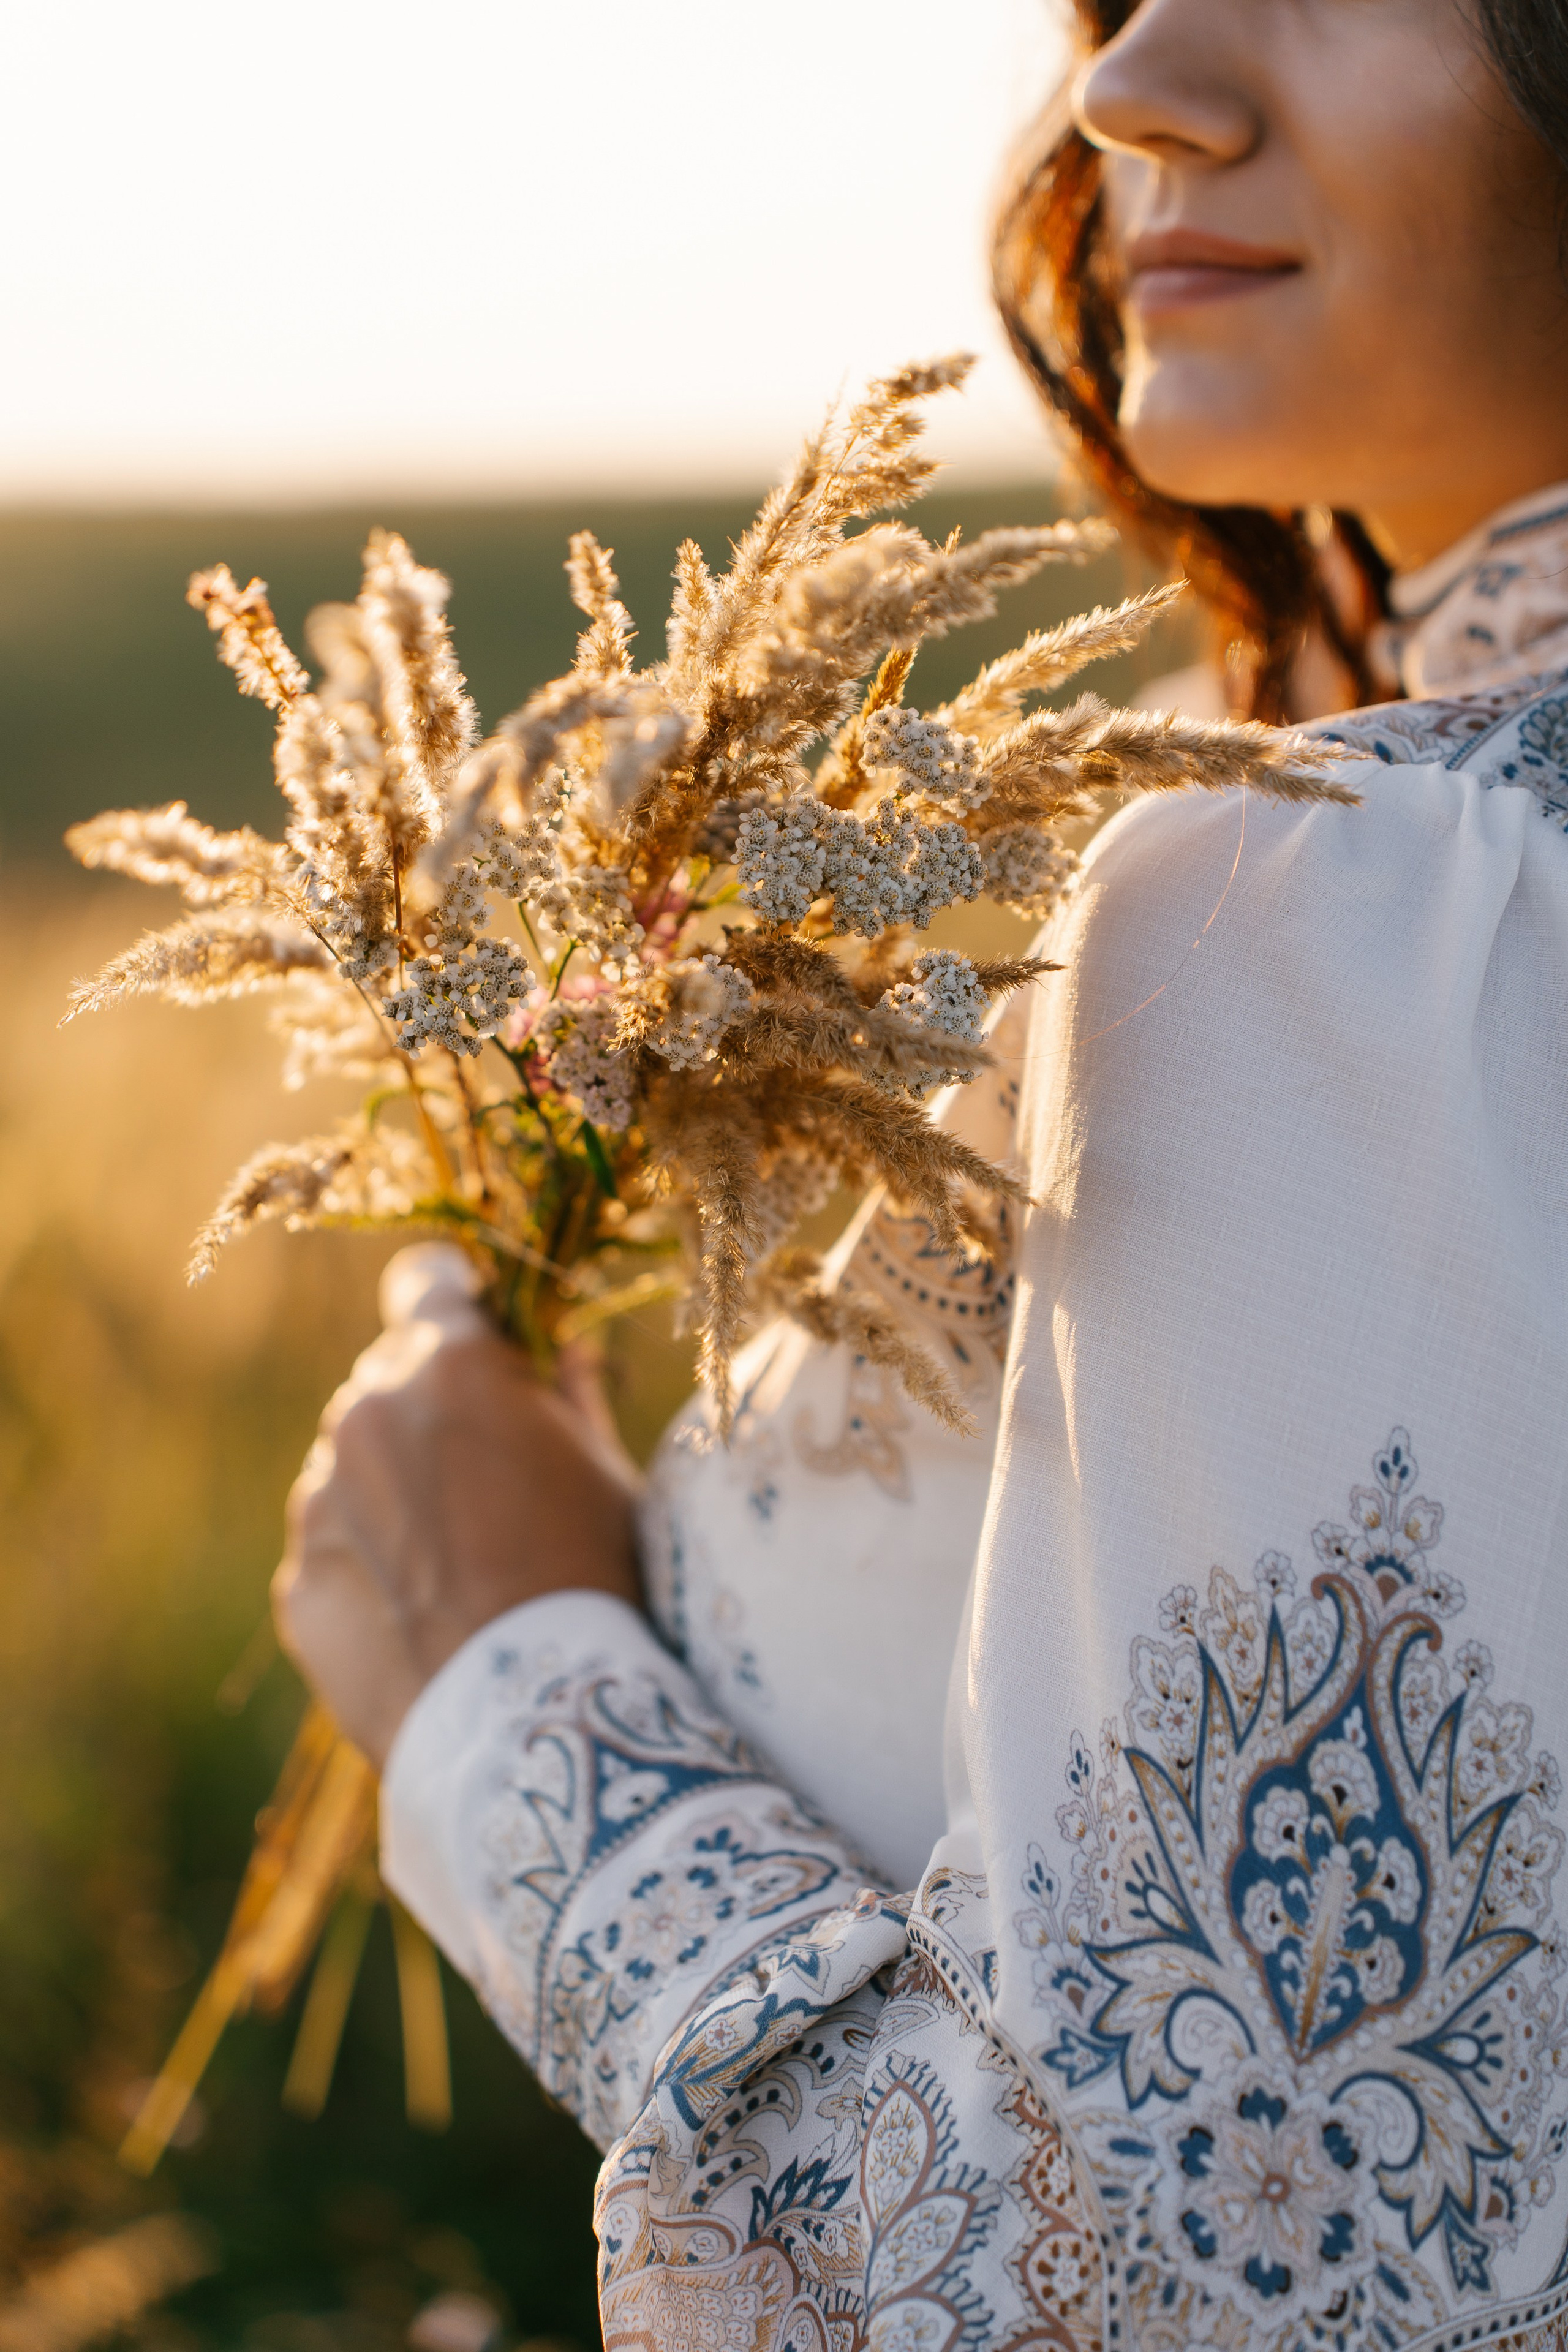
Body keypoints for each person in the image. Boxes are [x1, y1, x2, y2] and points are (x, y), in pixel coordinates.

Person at [274, 0, 1568, 2342]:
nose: (1133, 78)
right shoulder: (1321, 832)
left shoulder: (1370, 910)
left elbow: (1208, 2297)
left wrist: (510, 1696)